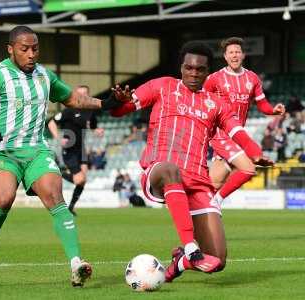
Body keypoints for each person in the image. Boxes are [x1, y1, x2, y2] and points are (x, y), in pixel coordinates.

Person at [0, 25, 122, 288]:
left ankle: (76, 263)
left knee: (55, 195)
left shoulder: (45, 76)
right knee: (4, 198)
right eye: (24, 49)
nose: (31, 54)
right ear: (11, 49)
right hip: (5, 152)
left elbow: (73, 100)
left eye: (35, 48)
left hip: (37, 150)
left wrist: (105, 103)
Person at [110, 41, 273, 281]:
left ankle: (182, 262)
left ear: (208, 72)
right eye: (189, 68)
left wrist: (255, 152)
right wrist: (118, 101)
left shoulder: (216, 104)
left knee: (217, 260)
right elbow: (118, 111)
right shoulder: (162, 86)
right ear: (181, 67)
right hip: (159, 173)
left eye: (200, 69)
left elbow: (237, 130)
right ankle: (190, 247)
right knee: (170, 169)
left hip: (197, 181)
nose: (194, 73)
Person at [203, 37, 285, 205]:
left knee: (214, 183)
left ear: (243, 55)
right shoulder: (214, 78)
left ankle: (201, 207)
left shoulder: (252, 78)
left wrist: (273, 110)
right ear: (225, 56)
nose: (234, 55)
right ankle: (216, 202)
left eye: (237, 52)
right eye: (231, 52)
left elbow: (262, 103)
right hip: (220, 134)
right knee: (248, 169)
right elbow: (200, 101)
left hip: (238, 136)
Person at [47, 85, 104, 216]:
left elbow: (93, 126)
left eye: (85, 93)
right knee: (79, 179)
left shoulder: (90, 111)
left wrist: (97, 130)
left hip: (82, 149)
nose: (83, 96)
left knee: (83, 181)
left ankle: (71, 207)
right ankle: (59, 172)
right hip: (70, 148)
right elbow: (51, 122)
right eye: (80, 93)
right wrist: (59, 138)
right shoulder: (69, 111)